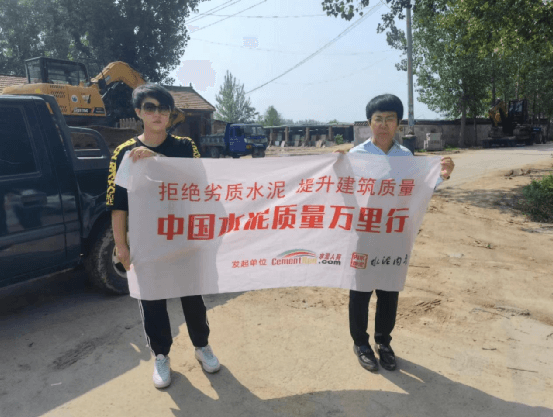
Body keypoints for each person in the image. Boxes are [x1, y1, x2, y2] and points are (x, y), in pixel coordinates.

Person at [106, 84, 220, 389]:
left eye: (164, 108)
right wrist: (121, 245)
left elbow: (200, 184)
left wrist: (156, 160)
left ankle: (202, 346)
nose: (157, 114)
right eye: (150, 107)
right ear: (138, 112)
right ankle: (161, 355)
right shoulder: (125, 154)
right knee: (152, 300)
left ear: (170, 114)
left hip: (184, 236)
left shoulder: (184, 147)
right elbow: (118, 204)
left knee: (192, 296)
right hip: (147, 241)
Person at [340, 94, 455, 372]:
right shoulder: (355, 156)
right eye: (378, 119)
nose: (383, 124)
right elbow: (340, 191)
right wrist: (333, 167)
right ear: (369, 123)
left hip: (395, 233)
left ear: (398, 124)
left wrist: (442, 175)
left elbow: (419, 189)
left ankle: (383, 342)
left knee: (389, 290)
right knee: (360, 291)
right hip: (365, 233)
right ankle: (361, 343)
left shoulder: (405, 157)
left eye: (389, 119)